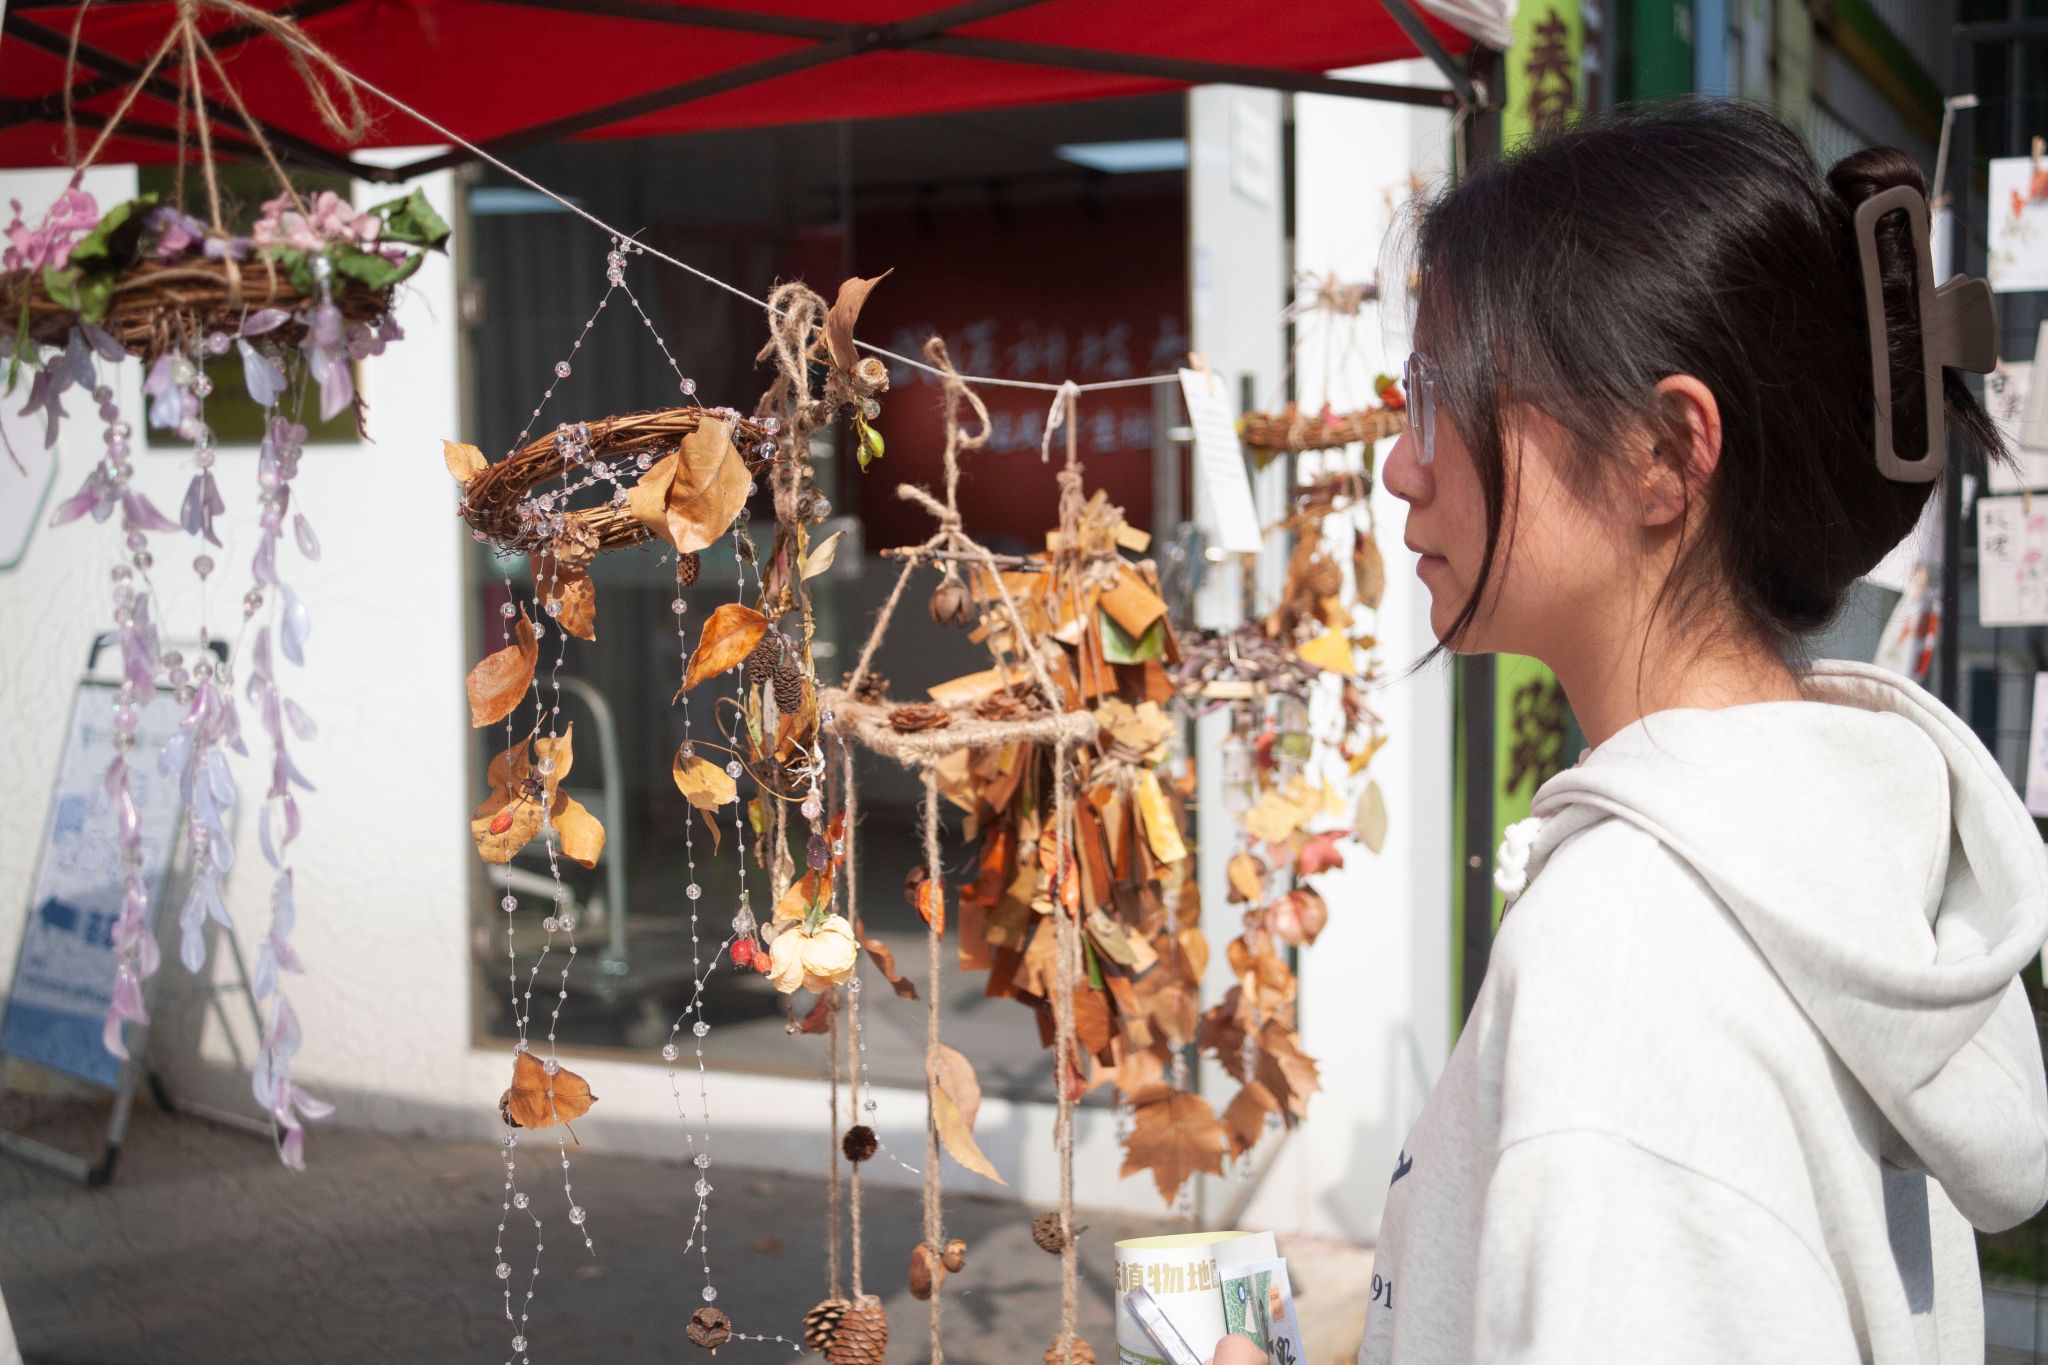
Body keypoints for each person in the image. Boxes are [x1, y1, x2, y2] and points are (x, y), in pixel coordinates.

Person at [1366, 101, 2048, 1364]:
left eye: (1438, 394)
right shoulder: (1849, 847)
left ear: (1663, 453)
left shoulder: (1624, 951)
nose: (1402, 468)